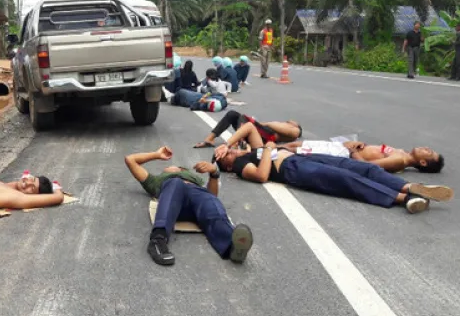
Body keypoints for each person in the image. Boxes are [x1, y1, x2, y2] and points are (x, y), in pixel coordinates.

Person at [213, 126, 454, 214]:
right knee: (345, 179)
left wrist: (226, 144)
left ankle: (408, 186)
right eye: (229, 154)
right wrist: (267, 150)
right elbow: (262, 176)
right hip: (293, 168)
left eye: (231, 149)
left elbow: (247, 126)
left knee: (358, 167)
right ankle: (404, 198)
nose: (233, 150)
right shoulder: (241, 165)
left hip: (305, 156)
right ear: (227, 164)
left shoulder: (246, 152)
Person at [124, 146, 253, 266]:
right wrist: (156, 154)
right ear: (165, 171)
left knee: (209, 201)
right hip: (175, 204)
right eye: (170, 167)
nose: (176, 167)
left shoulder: (197, 181)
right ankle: (158, 240)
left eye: (180, 168)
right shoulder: (157, 181)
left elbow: (212, 195)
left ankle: (232, 247)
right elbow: (130, 160)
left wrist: (214, 172)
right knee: (176, 183)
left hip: (198, 197)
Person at [280, 140, 444, 173]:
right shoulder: (401, 152)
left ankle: (261, 151)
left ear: (422, 162)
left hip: (343, 154)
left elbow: (367, 166)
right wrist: (360, 144)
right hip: (346, 149)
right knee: (296, 144)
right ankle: (263, 149)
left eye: (429, 152)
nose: (427, 148)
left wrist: (353, 151)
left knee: (295, 150)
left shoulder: (399, 160)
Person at [194, 109, 302, 148]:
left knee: (244, 117)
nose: (291, 120)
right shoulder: (285, 124)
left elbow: (269, 126)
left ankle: (237, 143)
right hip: (261, 131)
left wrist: (257, 123)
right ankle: (210, 139)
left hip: (266, 137)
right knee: (232, 114)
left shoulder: (295, 130)